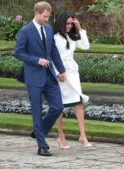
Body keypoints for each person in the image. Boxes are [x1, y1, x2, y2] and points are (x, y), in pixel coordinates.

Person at [13, 1, 67, 156]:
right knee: (37, 111)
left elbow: (53, 51)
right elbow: (18, 53)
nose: (46, 20)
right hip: (34, 77)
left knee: (57, 107)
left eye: (48, 17)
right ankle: (41, 146)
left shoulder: (48, 29)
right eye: (44, 17)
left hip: (50, 75)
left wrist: (61, 70)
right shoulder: (25, 31)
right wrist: (37, 60)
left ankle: (39, 131)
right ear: (37, 13)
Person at [52, 12, 92, 149]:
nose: (69, 26)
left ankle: (83, 135)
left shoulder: (73, 36)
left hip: (72, 73)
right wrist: (58, 73)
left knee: (78, 103)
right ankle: (61, 136)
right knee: (59, 106)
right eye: (67, 23)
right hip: (60, 73)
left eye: (71, 23)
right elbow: (51, 56)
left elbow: (86, 46)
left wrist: (79, 28)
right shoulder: (54, 38)